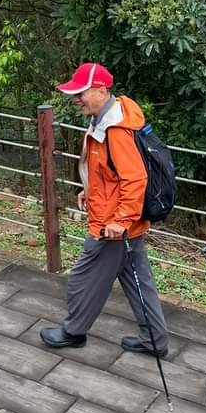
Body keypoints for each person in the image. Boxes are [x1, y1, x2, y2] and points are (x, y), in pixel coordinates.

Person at [40, 62, 169, 356]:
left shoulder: (116, 129)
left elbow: (135, 178)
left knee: (83, 278)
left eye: (81, 93)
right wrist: (89, 188)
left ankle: (74, 331)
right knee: (139, 283)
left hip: (112, 227)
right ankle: (155, 340)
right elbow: (109, 172)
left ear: (100, 90)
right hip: (124, 223)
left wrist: (121, 220)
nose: (76, 99)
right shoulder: (105, 118)